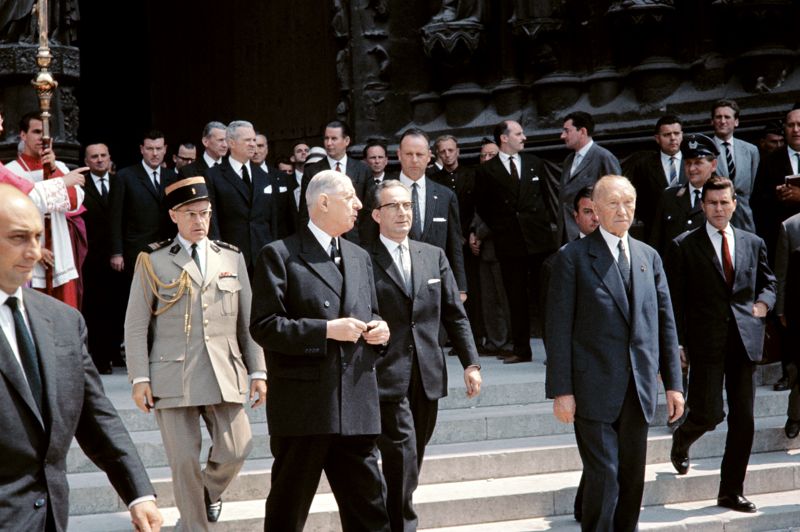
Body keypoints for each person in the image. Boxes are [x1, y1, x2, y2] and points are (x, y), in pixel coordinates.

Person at [0, 184, 163, 531]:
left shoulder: (64, 320)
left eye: (37, 237)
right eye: (18, 238)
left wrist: (138, 492)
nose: (34, 251)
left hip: (51, 517)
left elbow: (95, 413)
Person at [249, 170, 391, 531]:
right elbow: (265, 326)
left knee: (370, 513)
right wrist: (327, 331)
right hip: (305, 408)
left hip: (356, 403)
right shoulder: (280, 255)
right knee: (288, 511)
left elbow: (368, 312)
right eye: (350, 197)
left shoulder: (359, 256)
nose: (359, 204)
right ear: (323, 202)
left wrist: (380, 330)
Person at [125, 177, 266, 530]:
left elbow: (248, 321)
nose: (199, 221)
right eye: (190, 214)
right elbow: (136, 324)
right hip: (173, 375)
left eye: (204, 213)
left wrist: (258, 371)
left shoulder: (230, 256)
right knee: (184, 461)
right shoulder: (153, 260)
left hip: (224, 370)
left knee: (238, 446)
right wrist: (139, 378)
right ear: (174, 216)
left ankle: (207, 493)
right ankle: (194, 526)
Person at [545, 175, 684, 532]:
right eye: (613, 203)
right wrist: (562, 391)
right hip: (592, 389)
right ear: (595, 209)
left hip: (637, 388)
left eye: (628, 203)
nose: (622, 211)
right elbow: (557, 331)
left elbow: (664, 323)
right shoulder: (572, 259)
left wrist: (674, 384)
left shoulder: (648, 256)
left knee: (631, 478)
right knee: (604, 476)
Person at [369, 179, 482, 531]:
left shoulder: (432, 255)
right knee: (402, 452)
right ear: (376, 215)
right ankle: (402, 523)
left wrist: (471, 363)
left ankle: (388, 511)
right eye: (393, 206)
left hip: (428, 372)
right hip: (387, 373)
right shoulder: (362, 258)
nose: (403, 212)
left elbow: (454, 314)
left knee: (412, 454)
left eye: (407, 205)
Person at [666, 176, 776, 513]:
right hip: (706, 343)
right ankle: (683, 438)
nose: (718, 208)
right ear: (703, 206)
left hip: (744, 341)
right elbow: (675, 301)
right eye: (712, 203)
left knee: (744, 419)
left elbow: (769, 282)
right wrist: (679, 345)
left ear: (734, 204)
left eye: (724, 202)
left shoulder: (752, 242)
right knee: (710, 413)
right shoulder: (684, 244)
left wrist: (764, 304)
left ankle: (730, 491)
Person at [475, 120, 559, 363]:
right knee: (516, 298)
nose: (524, 138)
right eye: (519, 133)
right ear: (504, 138)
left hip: (540, 241)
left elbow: (546, 198)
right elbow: (483, 206)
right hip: (510, 243)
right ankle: (522, 350)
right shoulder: (485, 171)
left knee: (546, 297)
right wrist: (503, 227)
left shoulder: (535, 163)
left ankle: (554, 351)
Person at [5, 111, 87, 308]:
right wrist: (36, 248)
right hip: (28, 258)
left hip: (59, 254)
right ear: (23, 135)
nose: (42, 138)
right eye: (36, 132)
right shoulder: (10, 171)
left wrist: (53, 170)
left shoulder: (59, 167)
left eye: (45, 133)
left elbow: (74, 201)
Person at [205, 120, 295, 274]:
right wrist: (217, 253)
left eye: (254, 140)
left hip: (264, 255)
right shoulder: (213, 175)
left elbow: (272, 219)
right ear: (231, 143)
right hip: (231, 257)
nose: (253, 144)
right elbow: (212, 220)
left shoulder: (264, 176)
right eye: (247, 140)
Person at [81, 142, 127, 373]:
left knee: (119, 305)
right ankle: (100, 358)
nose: (99, 160)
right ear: (86, 162)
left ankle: (114, 352)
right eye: (94, 157)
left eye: (103, 156)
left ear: (110, 158)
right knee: (96, 308)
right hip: (92, 258)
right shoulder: (81, 186)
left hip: (119, 256)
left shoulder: (121, 182)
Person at [109, 129, 177, 275]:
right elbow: (115, 217)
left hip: (167, 247)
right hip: (136, 250)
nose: (155, 153)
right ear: (142, 149)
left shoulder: (172, 177)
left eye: (159, 148)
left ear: (165, 149)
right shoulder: (124, 177)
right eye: (150, 149)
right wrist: (117, 252)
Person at [298, 120, 371, 243]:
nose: (329, 143)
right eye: (326, 138)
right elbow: (306, 211)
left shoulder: (363, 169)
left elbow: (369, 209)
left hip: (357, 240)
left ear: (346, 141)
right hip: (323, 240)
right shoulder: (312, 172)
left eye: (334, 138)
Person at [557, 111, 621, 243]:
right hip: (568, 234)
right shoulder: (569, 160)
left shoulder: (604, 157)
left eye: (567, 131)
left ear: (582, 132)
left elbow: (616, 198)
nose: (562, 136)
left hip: (593, 236)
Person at [650, 133, 719, 256]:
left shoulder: (722, 197)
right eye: (688, 163)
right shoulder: (669, 197)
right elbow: (656, 242)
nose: (691, 169)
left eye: (698, 163)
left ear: (713, 165)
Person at [623, 115, 686, 242]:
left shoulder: (693, 162)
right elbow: (637, 198)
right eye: (667, 135)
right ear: (657, 138)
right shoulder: (644, 166)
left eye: (676, 133)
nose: (673, 138)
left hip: (689, 231)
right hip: (657, 233)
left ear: (682, 135)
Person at [710, 99, 759, 232]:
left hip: (744, 217)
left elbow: (754, 185)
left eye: (727, 117)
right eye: (718, 117)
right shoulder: (706, 150)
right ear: (712, 121)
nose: (723, 121)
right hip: (715, 216)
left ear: (736, 121)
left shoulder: (750, 150)